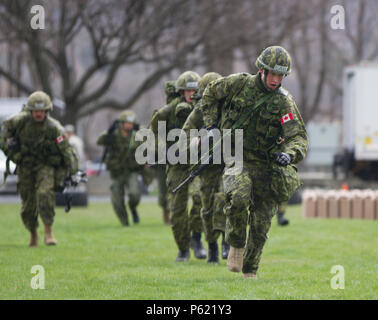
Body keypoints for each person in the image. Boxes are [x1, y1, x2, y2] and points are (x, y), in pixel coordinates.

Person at [200, 46, 308, 279]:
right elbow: (209, 93)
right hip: (237, 157)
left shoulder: (284, 103)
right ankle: (236, 246)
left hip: (268, 166)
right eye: (273, 74)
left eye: (281, 76)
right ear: (262, 70)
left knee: (260, 224)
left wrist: (289, 154)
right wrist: (210, 125)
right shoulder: (237, 84)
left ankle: (250, 271)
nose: (276, 80)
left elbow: (297, 136)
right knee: (238, 198)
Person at [0, 91, 78, 247]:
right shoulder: (18, 122)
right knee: (28, 204)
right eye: (35, 111)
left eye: (41, 111)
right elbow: (2, 136)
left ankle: (48, 231)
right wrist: (11, 152)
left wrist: (73, 171)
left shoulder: (54, 128)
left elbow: (67, 151)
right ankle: (33, 233)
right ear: (30, 111)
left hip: (45, 166)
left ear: (47, 111)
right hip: (25, 166)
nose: (38, 114)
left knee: (44, 194)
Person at [150, 71, 207, 262]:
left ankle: (197, 239)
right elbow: (152, 134)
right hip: (176, 166)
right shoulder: (168, 112)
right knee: (177, 209)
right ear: (181, 92)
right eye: (188, 90)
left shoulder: (205, 109)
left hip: (198, 163)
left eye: (195, 90)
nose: (192, 94)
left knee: (200, 198)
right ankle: (183, 248)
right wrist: (164, 149)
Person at [181, 72, 229, 264]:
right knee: (207, 208)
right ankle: (212, 248)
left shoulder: (230, 107)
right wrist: (199, 141)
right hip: (206, 166)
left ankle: (227, 241)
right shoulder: (200, 111)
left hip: (228, 163)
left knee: (225, 200)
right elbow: (185, 135)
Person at [97, 110, 142, 226]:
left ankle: (132, 208)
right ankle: (125, 222)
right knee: (117, 200)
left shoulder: (137, 135)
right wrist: (109, 131)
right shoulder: (113, 135)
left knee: (135, 194)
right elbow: (100, 141)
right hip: (117, 171)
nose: (129, 125)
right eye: (127, 123)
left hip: (131, 170)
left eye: (131, 123)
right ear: (121, 123)